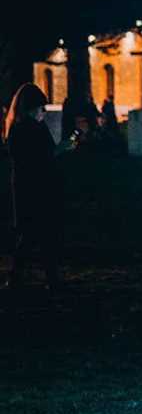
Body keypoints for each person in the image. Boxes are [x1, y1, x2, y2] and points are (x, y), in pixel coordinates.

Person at [3, 83, 70, 291]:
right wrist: (60, 150)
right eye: (40, 108)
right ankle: (41, 278)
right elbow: (39, 157)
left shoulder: (24, 127)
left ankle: (24, 277)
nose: (43, 113)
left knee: (34, 233)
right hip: (32, 187)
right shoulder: (25, 129)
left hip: (32, 186)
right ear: (30, 108)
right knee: (36, 233)